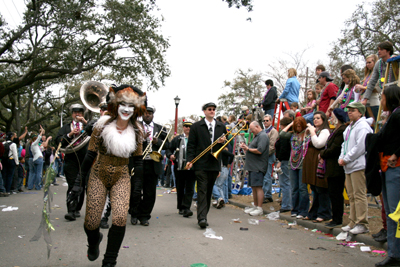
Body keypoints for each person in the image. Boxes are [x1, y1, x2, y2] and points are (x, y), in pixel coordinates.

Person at [80, 84, 146, 267]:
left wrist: (137, 185)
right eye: (123, 104)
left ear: (137, 108)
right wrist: (79, 182)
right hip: (98, 174)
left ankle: (110, 261)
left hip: (122, 176)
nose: (127, 109)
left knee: (118, 218)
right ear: (116, 104)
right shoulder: (101, 126)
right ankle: (94, 242)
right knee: (91, 223)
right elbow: (90, 154)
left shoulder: (138, 131)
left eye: (131, 106)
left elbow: (138, 161)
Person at [186, 102, 227, 228]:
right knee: (202, 189)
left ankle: (204, 214)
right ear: (204, 111)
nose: (212, 111)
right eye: (209, 109)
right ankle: (202, 218)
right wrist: (190, 160)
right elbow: (191, 145)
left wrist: (222, 142)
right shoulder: (196, 126)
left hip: (214, 164)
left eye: (214, 109)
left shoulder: (221, 126)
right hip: (200, 163)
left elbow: (223, 147)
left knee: (209, 191)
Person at [372, 85, 400, 266]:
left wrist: (397, 154)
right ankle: (393, 252)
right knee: (390, 212)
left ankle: (395, 254)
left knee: (395, 213)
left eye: (382, 97)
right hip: (386, 166)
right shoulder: (392, 115)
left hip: (395, 166)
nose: (381, 101)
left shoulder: (399, 114)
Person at [130, 106, 168, 226]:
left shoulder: (160, 128)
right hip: (138, 161)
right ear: (142, 114)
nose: (148, 114)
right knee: (135, 191)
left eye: (150, 113)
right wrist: (141, 139)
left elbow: (168, 144)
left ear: (153, 115)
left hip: (153, 162)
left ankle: (144, 216)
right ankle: (134, 213)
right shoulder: (135, 126)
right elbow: (128, 142)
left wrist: (158, 142)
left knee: (150, 193)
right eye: (146, 113)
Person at [339, 102, 372, 234]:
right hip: (348, 166)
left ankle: (362, 222)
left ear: (360, 112)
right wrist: (341, 157)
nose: (350, 112)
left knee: (359, 195)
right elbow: (345, 144)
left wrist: (346, 158)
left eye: (353, 110)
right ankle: (353, 221)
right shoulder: (349, 127)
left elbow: (360, 147)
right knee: (351, 195)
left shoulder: (363, 126)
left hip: (358, 164)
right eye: (349, 110)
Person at [56, 103, 88, 221]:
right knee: (72, 185)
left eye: (80, 112)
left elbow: (97, 132)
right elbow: (58, 140)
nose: (77, 114)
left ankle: (77, 208)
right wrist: (69, 134)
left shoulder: (87, 126)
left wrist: (85, 122)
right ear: (72, 114)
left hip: (84, 159)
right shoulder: (66, 127)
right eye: (75, 112)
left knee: (81, 186)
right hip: (71, 160)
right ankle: (71, 210)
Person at [319, 108, 347, 228]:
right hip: (331, 167)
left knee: (336, 194)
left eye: (332, 116)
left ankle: (337, 218)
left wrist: (322, 153)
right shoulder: (336, 130)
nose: (331, 118)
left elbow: (335, 148)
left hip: (336, 167)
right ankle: (334, 217)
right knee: (333, 193)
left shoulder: (341, 131)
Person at [302, 111, 331, 222]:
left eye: (318, 118)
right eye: (314, 118)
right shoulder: (316, 131)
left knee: (321, 188)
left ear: (323, 120)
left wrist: (313, 132)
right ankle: (314, 212)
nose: (315, 120)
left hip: (319, 163)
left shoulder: (324, 131)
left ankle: (324, 213)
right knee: (314, 188)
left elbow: (318, 143)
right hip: (310, 162)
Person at [166, 119, 196, 217]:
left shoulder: (195, 139)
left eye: (190, 126)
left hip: (192, 167)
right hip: (179, 167)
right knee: (180, 187)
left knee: (190, 188)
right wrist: (170, 155)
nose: (188, 128)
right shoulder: (177, 139)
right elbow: (169, 149)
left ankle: (186, 207)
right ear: (183, 127)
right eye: (186, 126)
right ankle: (180, 207)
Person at [240, 121, 269, 216]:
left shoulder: (263, 136)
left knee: (258, 187)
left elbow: (260, 150)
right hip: (252, 166)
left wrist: (248, 149)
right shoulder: (257, 136)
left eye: (252, 130)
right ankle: (256, 206)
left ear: (257, 126)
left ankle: (259, 208)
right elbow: (253, 149)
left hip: (258, 166)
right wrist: (246, 148)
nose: (251, 132)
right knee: (254, 187)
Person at [362, 41, 396, 107]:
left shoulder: (395, 60)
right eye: (378, 49)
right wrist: (365, 99)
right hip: (385, 93)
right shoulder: (378, 63)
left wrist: (396, 62)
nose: (379, 51)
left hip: (396, 92)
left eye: (381, 49)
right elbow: (372, 81)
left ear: (388, 51)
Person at [289, 117, 310, 219]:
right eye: (296, 126)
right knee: (294, 188)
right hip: (292, 163)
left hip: (302, 163)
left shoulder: (307, 134)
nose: (298, 128)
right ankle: (295, 209)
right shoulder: (292, 135)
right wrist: (290, 124)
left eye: (300, 126)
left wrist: (309, 128)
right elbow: (282, 134)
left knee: (302, 188)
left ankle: (303, 211)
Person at [274, 117, 293, 213]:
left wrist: (280, 161)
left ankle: (287, 204)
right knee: (286, 183)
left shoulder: (285, 136)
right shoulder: (288, 135)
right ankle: (287, 203)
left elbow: (284, 150)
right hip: (284, 160)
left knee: (284, 183)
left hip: (284, 161)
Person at [355, 54, 381, 122]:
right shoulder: (367, 75)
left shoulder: (377, 74)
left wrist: (363, 87)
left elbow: (377, 89)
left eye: (369, 62)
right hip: (365, 104)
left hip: (373, 103)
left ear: (375, 62)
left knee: (375, 124)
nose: (367, 64)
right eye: (366, 63)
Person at [262, 114, 278, 203]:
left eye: (267, 120)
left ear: (271, 121)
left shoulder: (273, 131)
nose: (265, 122)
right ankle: (267, 194)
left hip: (268, 156)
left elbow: (272, 146)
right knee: (265, 176)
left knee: (267, 176)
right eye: (264, 121)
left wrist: (263, 154)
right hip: (263, 157)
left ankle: (267, 195)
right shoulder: (264, 131)